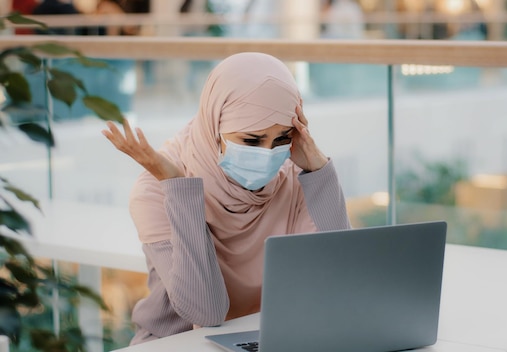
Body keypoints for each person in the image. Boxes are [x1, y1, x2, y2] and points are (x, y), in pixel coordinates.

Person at [102, 52, 351, 344]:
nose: (268, 154)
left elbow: (338, 279)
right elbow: (206, 312)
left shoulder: (295, 176)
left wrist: (319, 170)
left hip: (271, 338)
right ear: (214, 124)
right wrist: (179, 189)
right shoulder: (155, 190)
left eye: (282, 139)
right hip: (175, 344)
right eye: (251, 140)